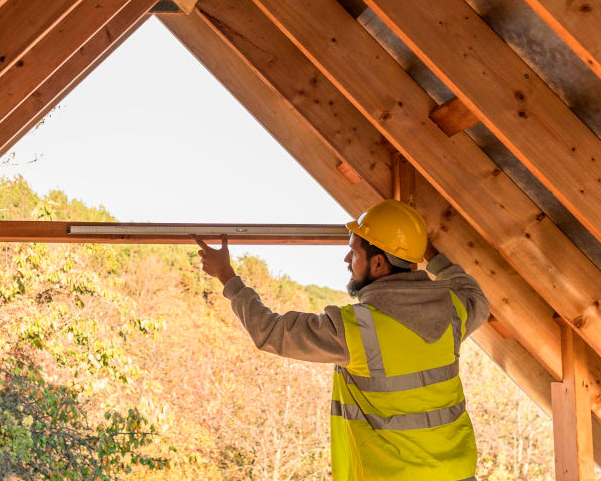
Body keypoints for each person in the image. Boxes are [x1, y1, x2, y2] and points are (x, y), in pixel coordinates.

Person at [192, 199, 488, 481]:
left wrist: (227, 276)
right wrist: (426, 252)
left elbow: (269, 331)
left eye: (354, 252)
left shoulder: (358, 329)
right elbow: (474, 294)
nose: (347, 259)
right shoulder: (453, 310)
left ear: (378, 264)